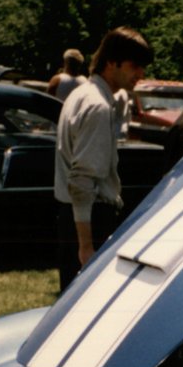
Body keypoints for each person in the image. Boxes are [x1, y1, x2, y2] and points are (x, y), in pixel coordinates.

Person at [54, 26, 153, 292]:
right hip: (90, 221)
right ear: (112, 63)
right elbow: (82, 181)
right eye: (135, 66)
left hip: (73, 219)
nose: (141, 75)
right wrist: (86, 246)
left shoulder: (83, 95)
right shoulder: (97, 106)